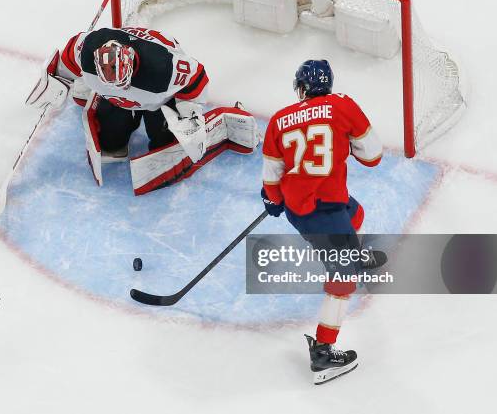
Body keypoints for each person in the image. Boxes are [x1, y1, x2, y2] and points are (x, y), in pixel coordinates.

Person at [261, 59, 383, 384]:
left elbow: (271, 179)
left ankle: (353, 253)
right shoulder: (342, 105)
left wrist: (272, 200)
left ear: (301, 89)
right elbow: (373, 156)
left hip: (306, 205)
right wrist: (348, 147)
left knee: (356, 214)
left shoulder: (279, 119)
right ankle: (324, 355)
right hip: (322, 213)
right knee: (343, 281)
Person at [26, 26, 259, 190]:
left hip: (161, 99)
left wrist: (189, 114)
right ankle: (115, 106)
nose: (123, 88)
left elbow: (196, 78)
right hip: (112, 94)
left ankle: (215, 120)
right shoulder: (87, 49)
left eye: (123, 84)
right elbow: (67, 59)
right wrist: (57, 81)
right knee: (109, 146)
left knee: (166, 146)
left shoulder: (164, 68)